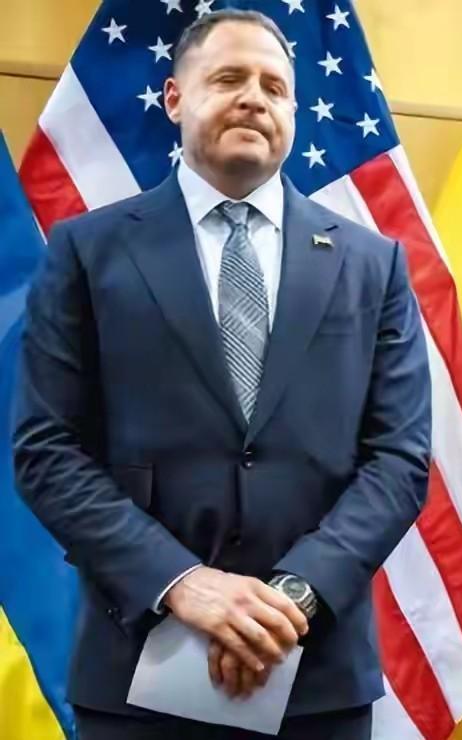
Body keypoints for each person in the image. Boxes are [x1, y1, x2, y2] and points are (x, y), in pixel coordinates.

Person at [13, 9, 430, 740]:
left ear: (294, 111)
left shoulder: (374, 264)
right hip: (136, 675)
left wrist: (292, 598)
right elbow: (46, 451)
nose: (254, 99)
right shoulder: (87, 252)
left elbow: (399, 459)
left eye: (275, 86)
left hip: (316, 681)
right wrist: (181, 584)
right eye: (230, 78)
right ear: (175, 99)